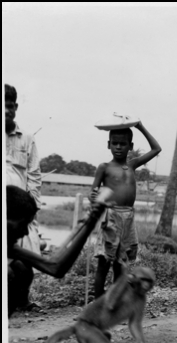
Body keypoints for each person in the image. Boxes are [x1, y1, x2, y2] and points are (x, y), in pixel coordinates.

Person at [7, 186, 107, 317]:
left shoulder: (9, 245)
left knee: (21, 268)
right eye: (22, 224)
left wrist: (90, 223)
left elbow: (55, 268)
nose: (25, 232)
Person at [89, 121, 161, 297]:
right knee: (104, 262)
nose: (118, 147)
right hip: (111, 216)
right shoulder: (104, 167)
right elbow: (94, 193)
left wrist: (140, 127)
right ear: (109, 145)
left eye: (123, 143)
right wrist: (94, 198)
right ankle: (99, 303)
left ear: (130, 146)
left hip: (128, 217)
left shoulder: (132, 165)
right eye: (115, 143)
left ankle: (114, 301)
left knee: (121, 264)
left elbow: (156, 149)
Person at [5, 84, 42, 256]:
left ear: (15, 107)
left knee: (23, 259)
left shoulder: (27, 138)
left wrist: (32, 208)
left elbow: (34, 176)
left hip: (19, 209)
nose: (5, 111)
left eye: (9, 106)